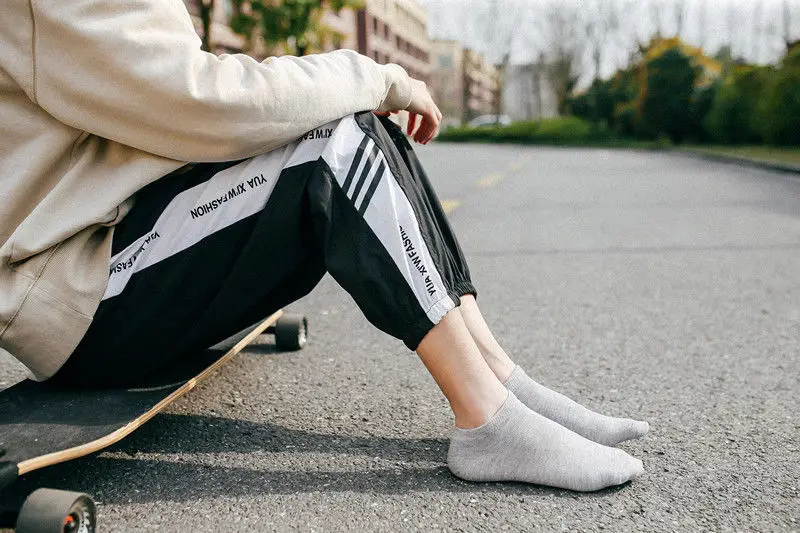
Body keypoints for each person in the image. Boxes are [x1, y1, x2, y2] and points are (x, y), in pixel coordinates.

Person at [0, 0, 648, 492]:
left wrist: (372, 88)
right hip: (78, 292)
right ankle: (488, 420)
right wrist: (377, 74)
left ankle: (503, 381)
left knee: (357, 126)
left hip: (116, 244)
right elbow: (201, 99)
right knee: (337, 149)